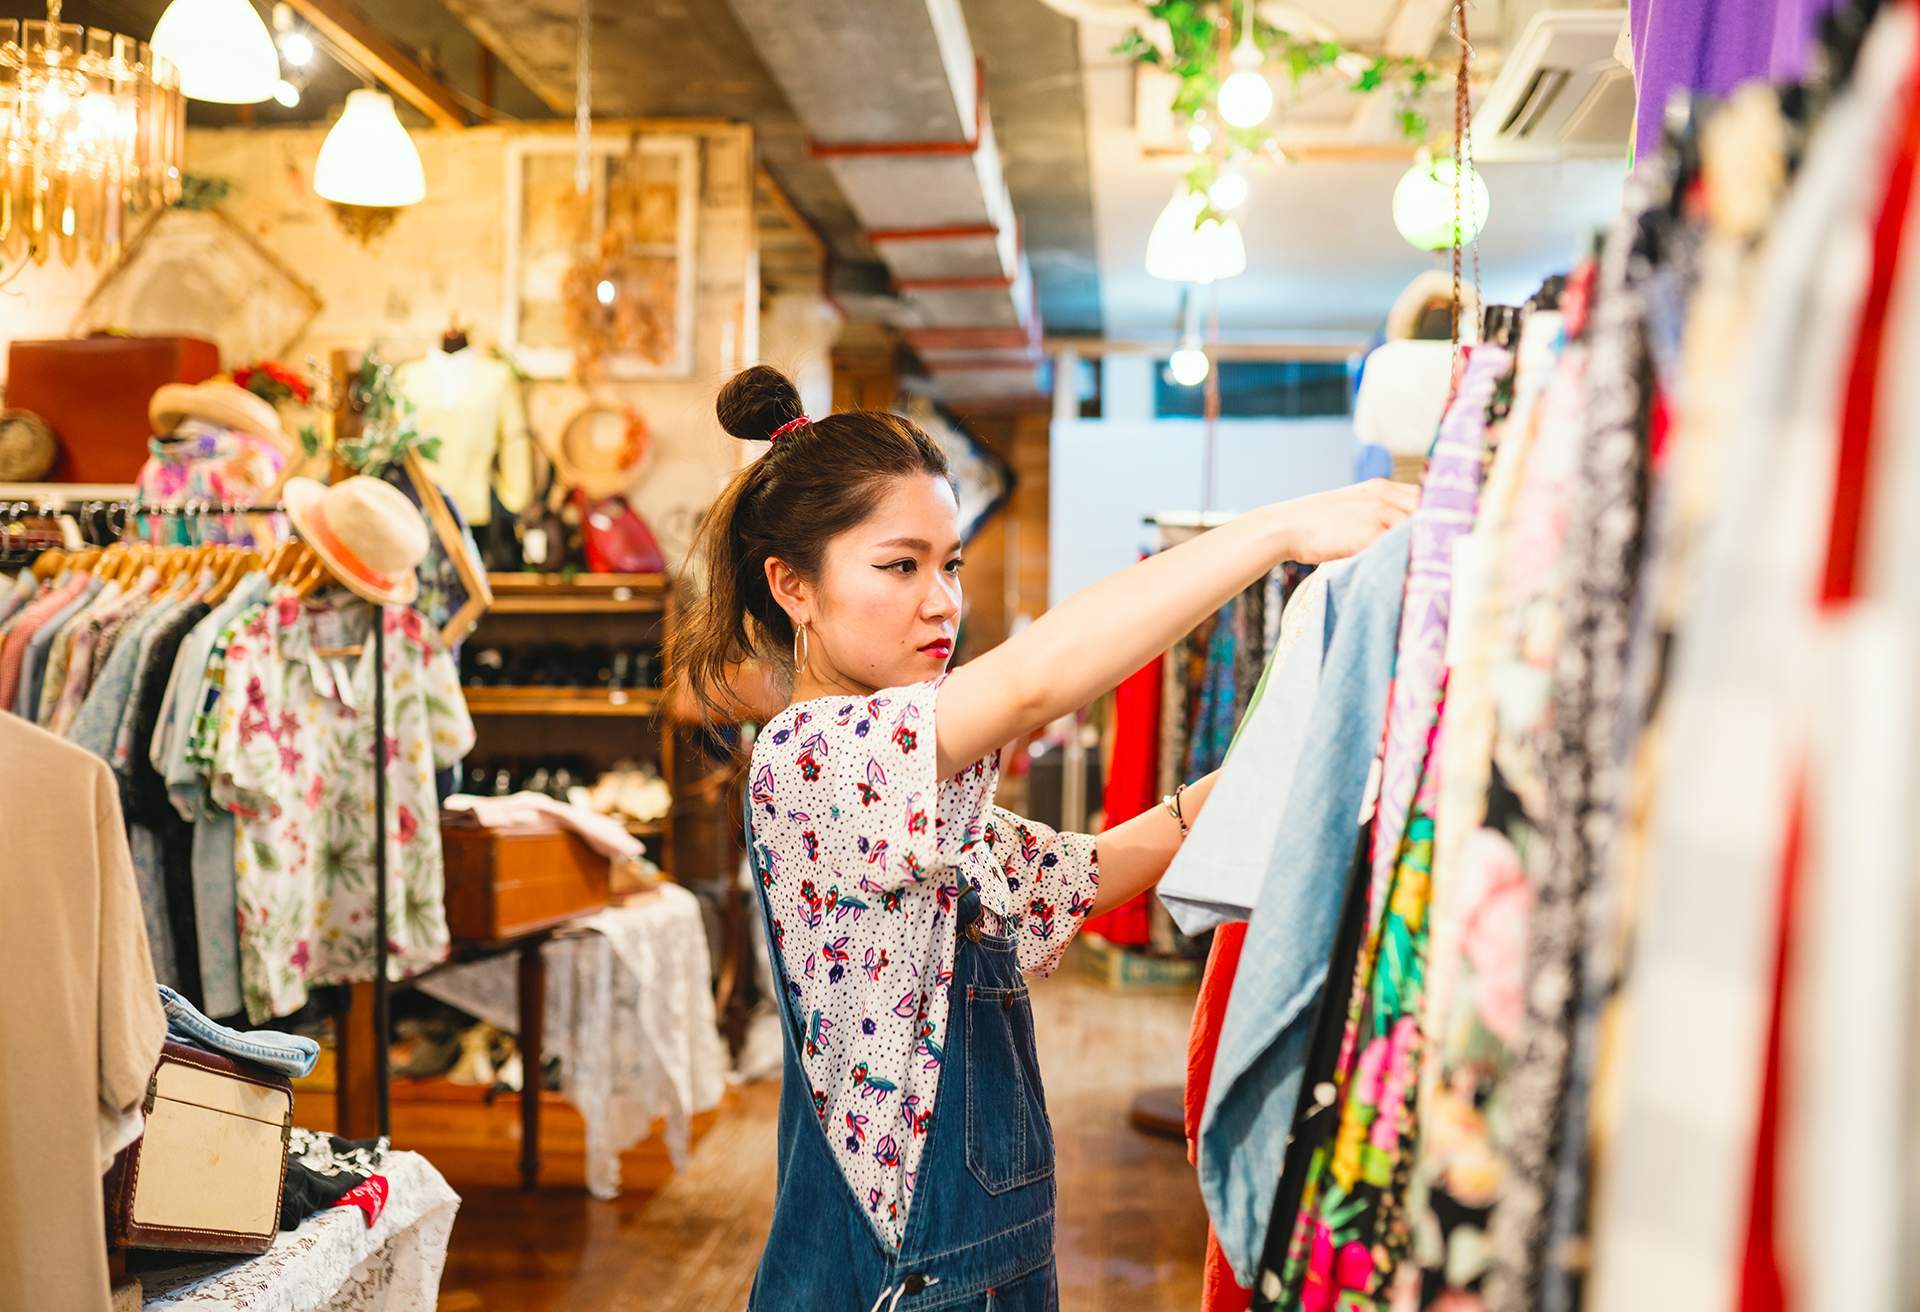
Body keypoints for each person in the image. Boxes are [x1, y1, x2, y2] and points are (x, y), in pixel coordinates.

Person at [667, 365, 1417, 1311]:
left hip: (975, 1266)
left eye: (950, 565)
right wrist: (1277, 531)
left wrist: (1295, 762)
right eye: (900, 566)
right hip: (907, 1279)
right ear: (792, 587)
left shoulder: (914, 791)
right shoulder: (814, 756)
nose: (942, 601)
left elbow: (1084, 871)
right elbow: (1033, 684)